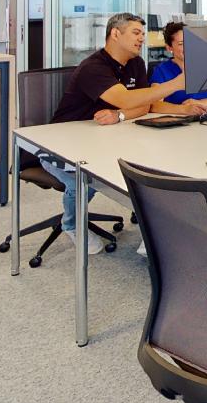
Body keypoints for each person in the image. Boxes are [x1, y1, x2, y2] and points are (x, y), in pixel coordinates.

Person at [46, 13, 185, 253]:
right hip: (62, 144)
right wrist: (175, 84)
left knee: (150, 168)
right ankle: (71, 225)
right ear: (115, 34)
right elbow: (126, 99)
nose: (142, 38)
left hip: (106, 138)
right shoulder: (93, 67)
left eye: (143, 34)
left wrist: (119, 115)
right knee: (84, 179)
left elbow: (143, 106)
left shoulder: (136, 63)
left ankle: (153, 231)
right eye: (136, 33)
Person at [148, 21, 207, 114]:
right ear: (169, 47)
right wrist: (184, 109)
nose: (188, 46)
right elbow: (154, 105)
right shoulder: (161, 71)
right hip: (180, 118)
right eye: (181, 43)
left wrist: (200, 103)